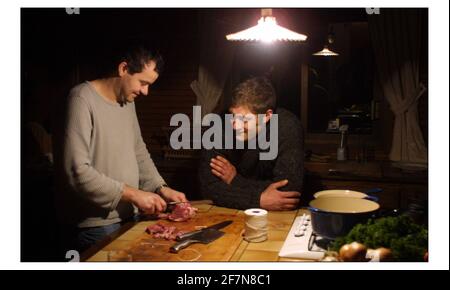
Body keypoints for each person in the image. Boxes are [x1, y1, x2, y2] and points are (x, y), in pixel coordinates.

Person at [54, 44, 187, 254]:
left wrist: (161, 188)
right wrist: (133, 194)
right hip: (95, 225)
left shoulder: (127, 102)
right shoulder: (80, 99)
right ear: (123, 69)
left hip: (129, 216)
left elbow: (139, 152)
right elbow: (76, 171)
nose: (146, 91)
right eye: (143, 82)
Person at [199, 77, 304, 211]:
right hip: (227, 211)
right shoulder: (218, 127)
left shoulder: (288, 127)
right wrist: (258, 200)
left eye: (244, 119)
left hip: (278, 216)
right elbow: (209, 188)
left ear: (267, 116)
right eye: (233, 116)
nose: (236, 126)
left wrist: (236, 181)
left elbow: (287, 194)